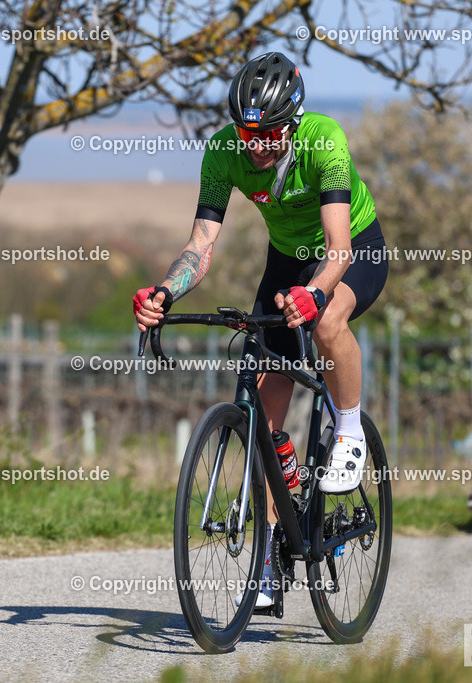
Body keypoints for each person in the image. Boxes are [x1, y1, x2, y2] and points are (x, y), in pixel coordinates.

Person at [132, 52, 389, 610]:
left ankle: (347, 431)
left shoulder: (325, 142)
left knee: (327, 324)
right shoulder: (224, 151)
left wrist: (315, 293)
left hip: (351, 252)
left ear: (293, 121)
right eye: (248, 132)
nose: (256, 144)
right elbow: (201, 244)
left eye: (269, 133)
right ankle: (273, 548)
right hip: (285, 260)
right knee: (261, 421)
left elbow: (339, 248)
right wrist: (166, 291)